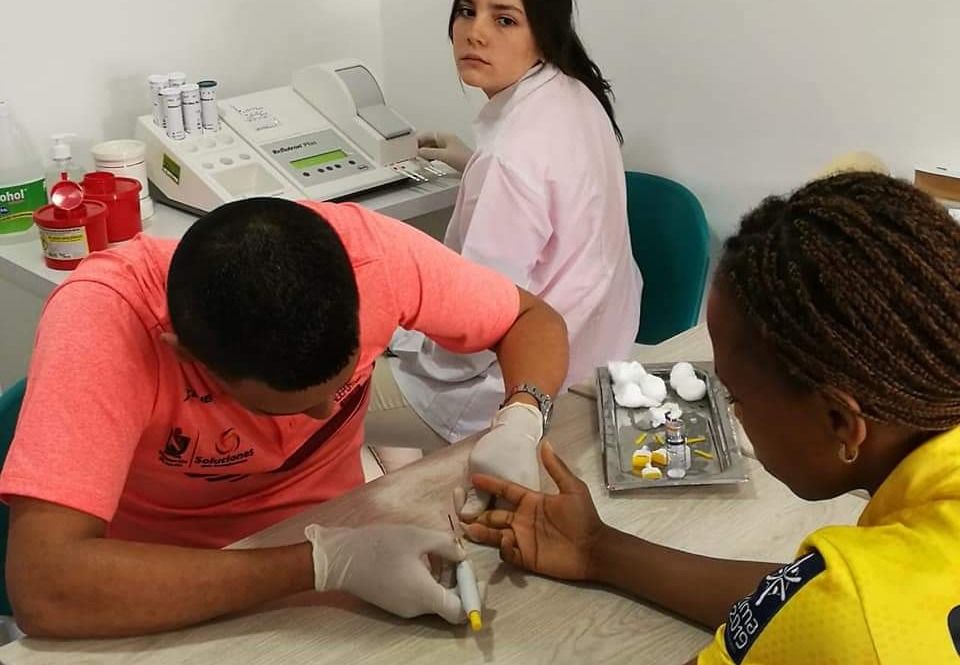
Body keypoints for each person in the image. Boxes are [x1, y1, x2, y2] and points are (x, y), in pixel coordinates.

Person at [0, 197, 569, 638]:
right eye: (289, 405)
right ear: (187, 355)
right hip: (168, 578)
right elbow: (47, 586)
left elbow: (529, 319)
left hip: (341, 532)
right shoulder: (106, 326)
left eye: (339, 387)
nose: (326, 415)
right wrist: (324, 564)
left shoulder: (376, 258)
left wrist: (521, 415)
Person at [462, 172, 960, 663]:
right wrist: (598, 549)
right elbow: (797, 604)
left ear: (840, 424)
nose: (732, 412)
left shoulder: (853, 611)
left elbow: (830, 613)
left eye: (736, 395)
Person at [367, 0, 642, 461]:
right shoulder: (575, 94)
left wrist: (400, 340)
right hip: (596, 352)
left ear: (543, 32)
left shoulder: (510, 158)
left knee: (306, 395)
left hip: (507, 388)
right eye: (466, 11)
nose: (475, 33)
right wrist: (471, 160)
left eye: (505, 19)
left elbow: (474, 332)